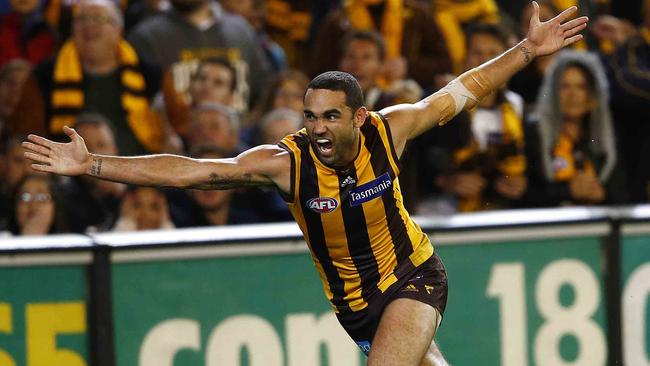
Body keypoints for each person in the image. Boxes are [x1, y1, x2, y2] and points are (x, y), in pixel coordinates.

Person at [23, 3, 587, 364]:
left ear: (358, 118)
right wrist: (94, 163)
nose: (316, 128)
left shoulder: (390, 131)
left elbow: (464, 90)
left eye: (330, 118)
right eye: (309, 116)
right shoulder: (286, 163)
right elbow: (195, 171)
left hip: (414, 276)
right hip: (354, 306)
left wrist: (528, 51)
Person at [13, 0, 165, 156]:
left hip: (140, 171)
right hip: (66, 175)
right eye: (82, 19)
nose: (90, 26)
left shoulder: (150, 74)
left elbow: (172, 129)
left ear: (118, 29)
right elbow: (28, 136)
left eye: (99, 18)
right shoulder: (44, 75)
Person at [525, 50, 627, 206]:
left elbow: (624, 193)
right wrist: (567, 191)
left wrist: (603, 195)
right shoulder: (532, 132)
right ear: (552, 91)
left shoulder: (607, 136)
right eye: (565, 86)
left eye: (581, 87)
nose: (573, 95)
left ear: (593, 94)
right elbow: (525, 194)